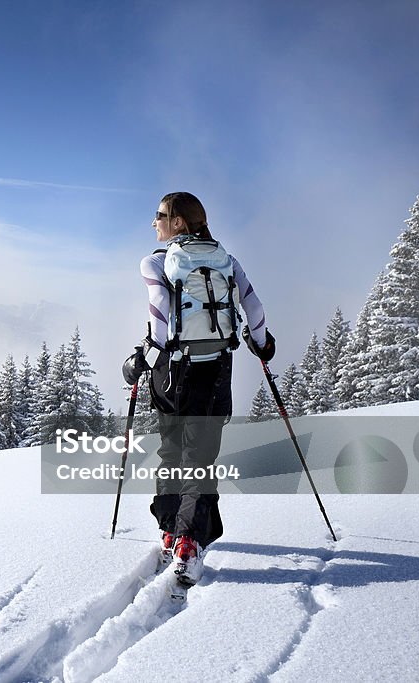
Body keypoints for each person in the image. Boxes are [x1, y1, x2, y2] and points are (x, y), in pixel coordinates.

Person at [122, 192, 275, 585]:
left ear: (177, 223)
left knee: (171, 451)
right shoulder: (227, 259)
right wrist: (261, 343)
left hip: (172, 374)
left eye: (159, 215)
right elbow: (254, 309)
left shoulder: (155, 261)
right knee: (201, 458)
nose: (154, 222)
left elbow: (159, 318)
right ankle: (191, 542)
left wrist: (140, 363)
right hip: (216, 371)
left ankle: (173, 532)